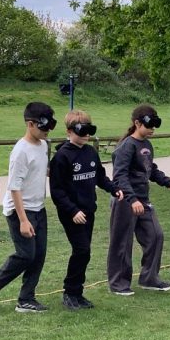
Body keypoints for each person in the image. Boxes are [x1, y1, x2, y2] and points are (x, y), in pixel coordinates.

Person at [0, 102, 56, 314]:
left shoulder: (43, 145)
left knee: (39, 255)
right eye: (43, 127)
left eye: (50, 126)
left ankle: (26, 299)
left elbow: (40, 170)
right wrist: (23, 220)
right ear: (30, 124)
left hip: (39, 208)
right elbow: (14, 187)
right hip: (20, 210)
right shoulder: (20, 152)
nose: (47, 131)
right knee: (26, 254)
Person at [49, 110, 124, 310]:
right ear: (69, 131)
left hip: (89, 210)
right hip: (72, 214)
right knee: (82, 250)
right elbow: (57, 191)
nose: (86, 134)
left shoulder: (90, 152)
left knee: (84, 252)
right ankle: (69, 292)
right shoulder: (61, 157)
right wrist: (72, 211)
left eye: (89, 130)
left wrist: (113, 188)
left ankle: (77, 293)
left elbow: (100, 176)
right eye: (81, 130)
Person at [106, 104, 170, 295]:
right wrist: (132, 199)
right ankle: (118, 284)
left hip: (143, 200)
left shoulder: (146, 145)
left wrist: (168, 182)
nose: (152, 129)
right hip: (125, 201)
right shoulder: (126, 146)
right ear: (137, 123)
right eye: (149, 125)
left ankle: (149, 278)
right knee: (122, 243)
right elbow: (119, 176)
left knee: (155, 235)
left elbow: (150, 169)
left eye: (155, 125)